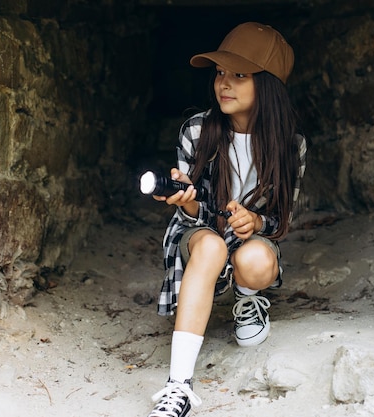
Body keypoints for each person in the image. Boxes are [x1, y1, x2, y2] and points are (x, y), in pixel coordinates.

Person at [146, 22, 307, 417]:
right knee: (212, 244)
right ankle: (178, 386)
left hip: (249, 240)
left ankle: (248, 298)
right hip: (201, 232)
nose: (224, 84)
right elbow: (195, 212)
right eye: (220, 73)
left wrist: (254, 222)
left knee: (255, 261)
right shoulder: (197, 130)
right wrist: (186, 201)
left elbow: (280, 221)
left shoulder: (290, 145)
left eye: (240, 75)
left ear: (267, 85)